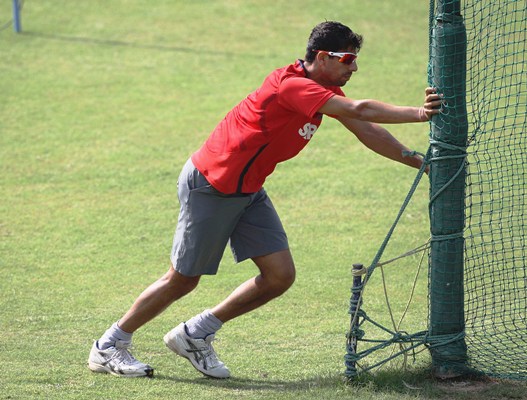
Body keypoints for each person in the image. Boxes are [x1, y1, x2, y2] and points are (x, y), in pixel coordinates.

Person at [88, 20, 442, 379]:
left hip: (248, 189)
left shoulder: (321, 90)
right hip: (212, 185)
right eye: (348, 59)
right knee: (183, 279)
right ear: (323, 57)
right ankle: (109, 346)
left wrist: (417, 162)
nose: (354, 67)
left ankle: (195, 334)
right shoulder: (293, 86)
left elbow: (364, 127)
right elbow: (362, 111)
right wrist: (419, 113)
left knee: (279, 275)